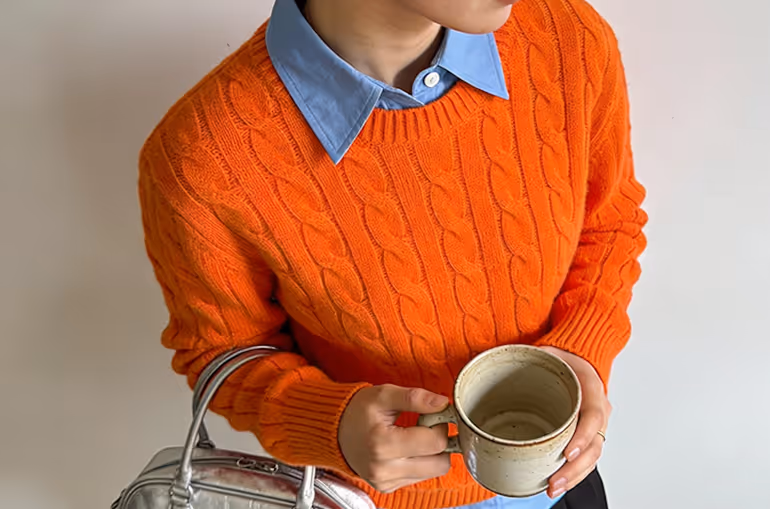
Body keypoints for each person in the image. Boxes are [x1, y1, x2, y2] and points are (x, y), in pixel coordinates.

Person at [138, 0, 646, 507]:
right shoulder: (203, 157)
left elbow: (608, 220)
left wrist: (582, 347)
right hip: (359, 497)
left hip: (558, 482)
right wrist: (329, 423)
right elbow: (220, 351)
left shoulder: (567, 37)